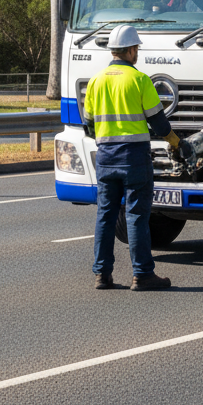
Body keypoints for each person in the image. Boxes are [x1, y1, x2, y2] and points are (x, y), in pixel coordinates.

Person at [83, 24, 181, 289]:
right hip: (134, 157)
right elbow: (159, 124)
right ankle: (142, 274)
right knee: (136, 215)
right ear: (128, 50)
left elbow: (88, 125)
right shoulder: (139, 80)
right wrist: (175, 142)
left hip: (105, 157)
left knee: (105, 215)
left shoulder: (96, 81)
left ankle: (101, 275)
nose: (137, 53)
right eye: (136, 48)